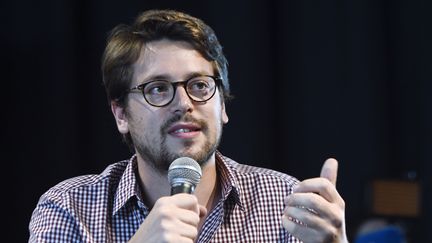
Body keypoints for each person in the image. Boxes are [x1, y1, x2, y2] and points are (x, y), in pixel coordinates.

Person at [29, 9, 348, 242]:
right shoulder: (70, 209)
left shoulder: (285, 202)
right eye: (157, 89)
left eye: (199, 85)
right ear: (120, 115)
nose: (183, 103)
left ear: (222, 105)